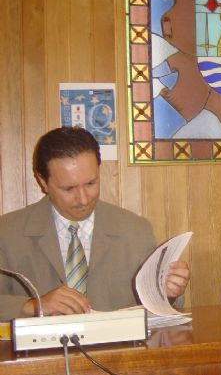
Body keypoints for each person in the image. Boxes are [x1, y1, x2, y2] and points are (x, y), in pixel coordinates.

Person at [0, 127, 190, 321]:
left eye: (91, 183)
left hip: (120, 349)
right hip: (41, 351)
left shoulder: (135, 230)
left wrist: (169, 292)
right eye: (68, 188)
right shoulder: (7, 233)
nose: (83, 199)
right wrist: (33, 306)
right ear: (43, 182)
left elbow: (156, 307)